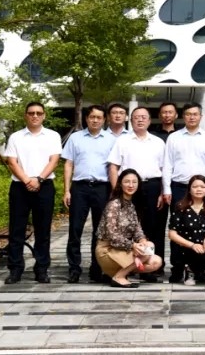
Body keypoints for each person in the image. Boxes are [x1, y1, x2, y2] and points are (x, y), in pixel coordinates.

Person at [3, 101, 62, 285]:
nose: (35, 116)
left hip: (44, 186)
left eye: (38, 113)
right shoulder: (16, 137)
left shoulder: (52, 136)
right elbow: (12, 162)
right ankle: (15, 269)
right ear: (25, 115)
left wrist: (39, 179)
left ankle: (41, 269)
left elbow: (54, 161)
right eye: (31, 113)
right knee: (16, 229)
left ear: (44, 115)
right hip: (20, 187)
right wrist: (27, 180)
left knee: (43, 230)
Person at [107, 105, 167, 275]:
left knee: (154, 227)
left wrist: (162, 192)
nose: (140, 120)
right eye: (136, 117)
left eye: (143, 117)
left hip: (153, 186)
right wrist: (117, 191)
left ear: (149, 120)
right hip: (130, 188)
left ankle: (153, 267)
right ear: (131, 120)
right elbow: (113, 167)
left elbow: (165, 169)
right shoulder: (122, 141)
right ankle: (129, 266)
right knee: (129, 227)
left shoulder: (158, 142)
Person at [61, 104, 113, 284]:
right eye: (92, 117)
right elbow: (68, 164)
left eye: (99, 117)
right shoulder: (75, 138)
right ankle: (74, 268)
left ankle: (96, 268)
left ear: (104, 120)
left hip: (102, 187)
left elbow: (114, 166)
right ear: (86, 118)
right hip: (80, 188)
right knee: (75, 229)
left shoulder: (111, 139)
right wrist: (66, 190)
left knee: (100, 230)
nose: (95, 120)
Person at [95, 168, 162, 288]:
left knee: (154, 258)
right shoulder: (114, 204)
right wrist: (133, 246)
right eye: (127, 182)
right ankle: (118, 277)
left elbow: (137, 229)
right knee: (145, 253)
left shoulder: (131, 205)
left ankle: (121, 272)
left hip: (122, 249)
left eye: (134, 182)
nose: (131, 185)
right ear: (120, 184)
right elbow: (112, 236)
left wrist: (142, 241)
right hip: (107, 250)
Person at [162, 101, 205, 208]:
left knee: (202, 217)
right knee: (178, 217)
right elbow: (168, 165)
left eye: (195, 114)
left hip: (202, 188)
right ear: (183, 116)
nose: (192, 117)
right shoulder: (173, 137)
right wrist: (167, 189)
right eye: (188, 114)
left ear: (201, 116)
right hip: (179, 187)